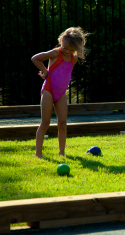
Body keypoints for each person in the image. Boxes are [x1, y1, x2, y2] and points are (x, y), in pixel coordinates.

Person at [32, 27, 90, 158]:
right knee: (45, 123)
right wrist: (45, 71)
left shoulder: (73, 59)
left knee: (62, 123)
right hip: (48, 91)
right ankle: (38, 153)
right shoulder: (55, 53)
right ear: (61, 41)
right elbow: (35, 58)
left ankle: (62, 152)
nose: (67, 51)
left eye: (71, 50)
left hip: (61, 93)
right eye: (65, 48)